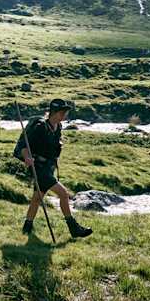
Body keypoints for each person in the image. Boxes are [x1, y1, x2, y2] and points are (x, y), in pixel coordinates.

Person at [15, 98, 92, 239]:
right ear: (54, 112)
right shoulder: (39, 127)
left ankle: (27, 227)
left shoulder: (58, 128)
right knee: (63, 194)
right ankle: (74, 228)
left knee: (37, 198)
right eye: (62, 112)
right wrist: (27, 157)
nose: (65, 115)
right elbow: (23, 146)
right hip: (38, 167)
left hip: (48, 167)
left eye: (65, 112)